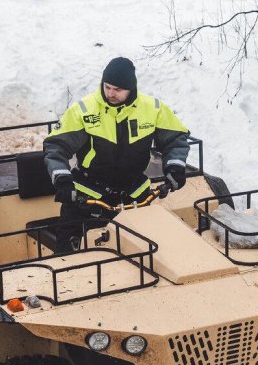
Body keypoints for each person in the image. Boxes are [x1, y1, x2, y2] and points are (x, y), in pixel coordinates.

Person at [43, 57, 190, 251]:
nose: (111, 93)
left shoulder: (153, 109)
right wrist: (62, 180)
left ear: (132, 89)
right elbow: (55, 147)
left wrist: (175, 167)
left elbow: (176, 138)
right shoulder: (84, 111)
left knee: (148, 252)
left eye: (118, 90)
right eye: (107, 87)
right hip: (87, 197)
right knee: (68, 257)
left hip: (135, 195)